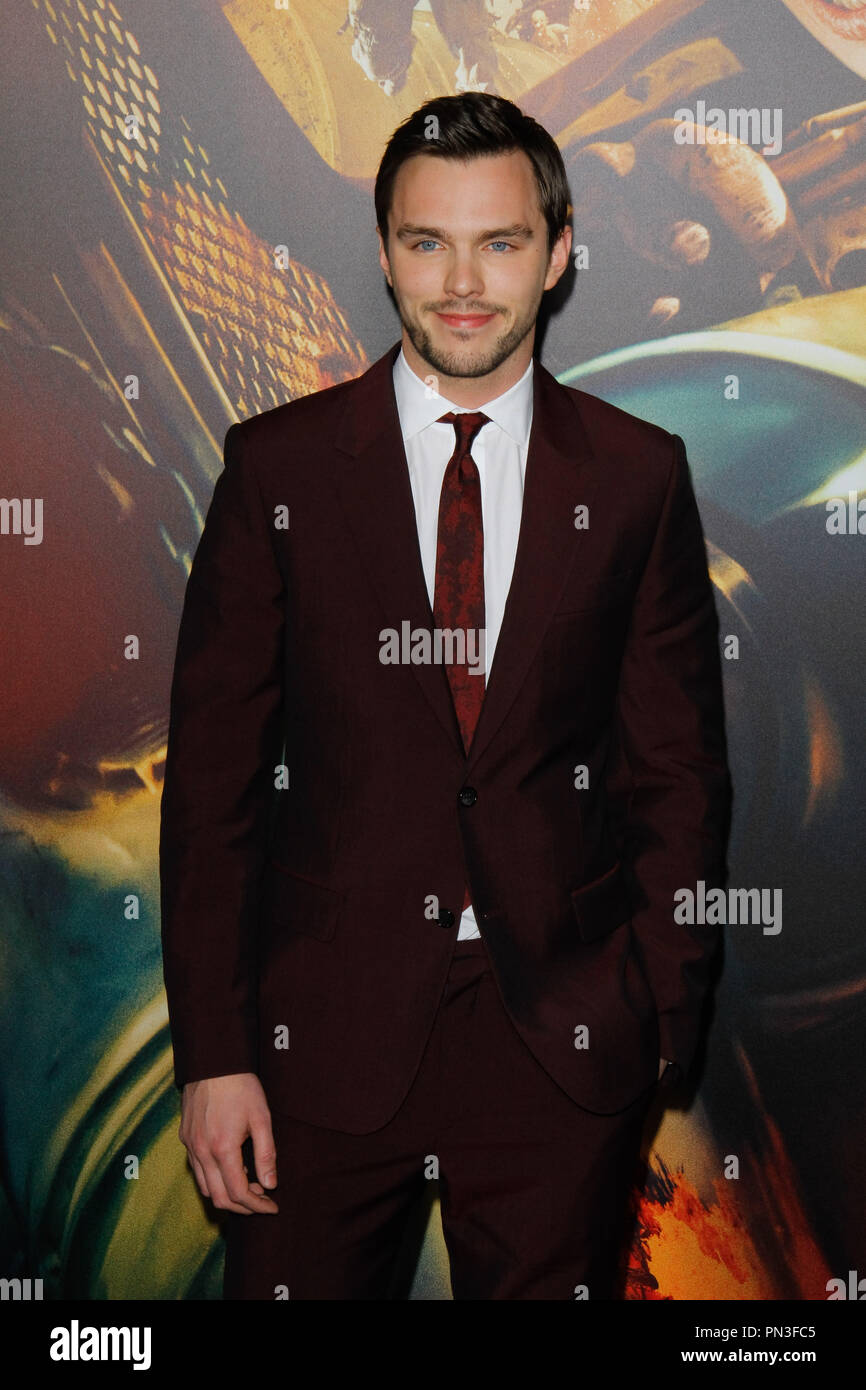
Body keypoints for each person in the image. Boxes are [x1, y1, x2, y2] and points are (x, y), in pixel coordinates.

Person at [159, 91, 732, 1300]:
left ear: (558, 253)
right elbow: (210, 795)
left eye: (500, 241)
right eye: (427, 241)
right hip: (316, 1040)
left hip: (558, 1043)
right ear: (382, 254)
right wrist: (213, 1056)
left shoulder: (636, 478)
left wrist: (653, 1018)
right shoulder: (278, 468)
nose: (461, 281)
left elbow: (674, 771)